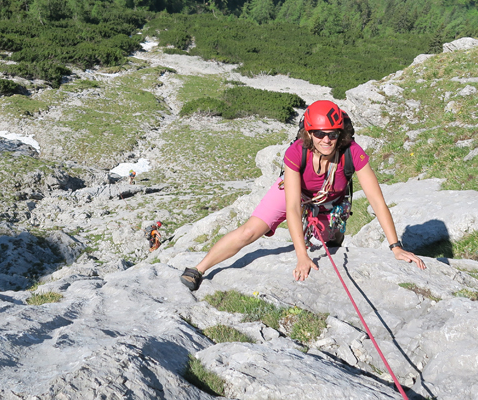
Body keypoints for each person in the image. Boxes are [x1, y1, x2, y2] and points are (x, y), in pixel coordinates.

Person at [180, 100, 424, 291]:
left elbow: (377, 201)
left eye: (332, 133)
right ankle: (199, 269)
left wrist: (395, 247)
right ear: (308, 133)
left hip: (330, 201)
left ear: (341, 132)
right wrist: (302, 257)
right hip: (294, 193)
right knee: (249, 232)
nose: (326, 139)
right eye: (319, 134)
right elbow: (293, 207)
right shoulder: (297, 152)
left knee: (329, 243)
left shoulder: (352, 152)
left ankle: (329, 236)